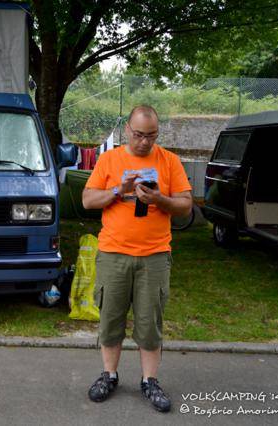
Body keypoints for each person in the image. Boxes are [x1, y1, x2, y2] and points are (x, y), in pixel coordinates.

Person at [82, 105, 192, 412]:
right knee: (111, 319)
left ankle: (150, 381)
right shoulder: (109, 159)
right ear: (127, 130)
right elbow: (88, 199)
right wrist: (119, 190)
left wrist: (158, 199)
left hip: (154, 257)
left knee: (149, 323)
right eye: (140, 134)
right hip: (114, 254)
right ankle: (109, 375)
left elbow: (185, 205)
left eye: (152, 135)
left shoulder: (169, 161)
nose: (145, 142)